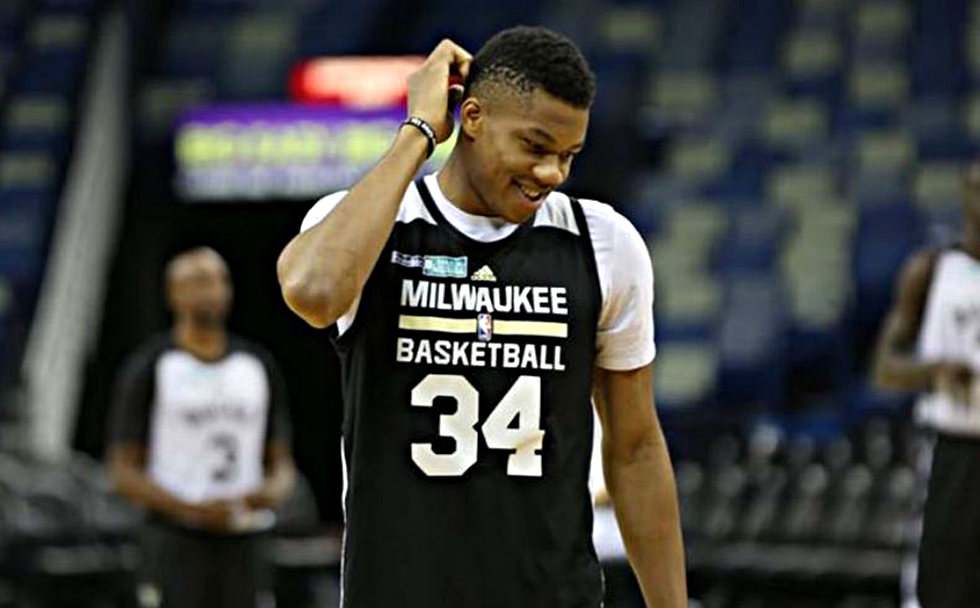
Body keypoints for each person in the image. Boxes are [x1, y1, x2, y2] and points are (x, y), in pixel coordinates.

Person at [277, 26, 687, 608]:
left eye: (568, 156)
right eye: (535, 147)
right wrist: (418, 133)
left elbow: (636, 448)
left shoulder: (603, 243)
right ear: (471, 118)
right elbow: (313, 292)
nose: (552, 173)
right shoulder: (373, 226)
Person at [107, 246, 296, 608]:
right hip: (175, 540)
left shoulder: (256, 366)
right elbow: (122, 470)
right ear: (173, 294)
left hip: (244, 540)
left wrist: (262, 495)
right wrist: (190, 509)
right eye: (198, 281)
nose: (211, 291)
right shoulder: (151, 366)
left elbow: (282, 463)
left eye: (220, 280)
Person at [873, 160, 980, 608]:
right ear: (965, 196)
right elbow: (885, 369)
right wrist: (937, 370)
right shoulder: (932, 270)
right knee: (938, 591)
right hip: (953, 450)